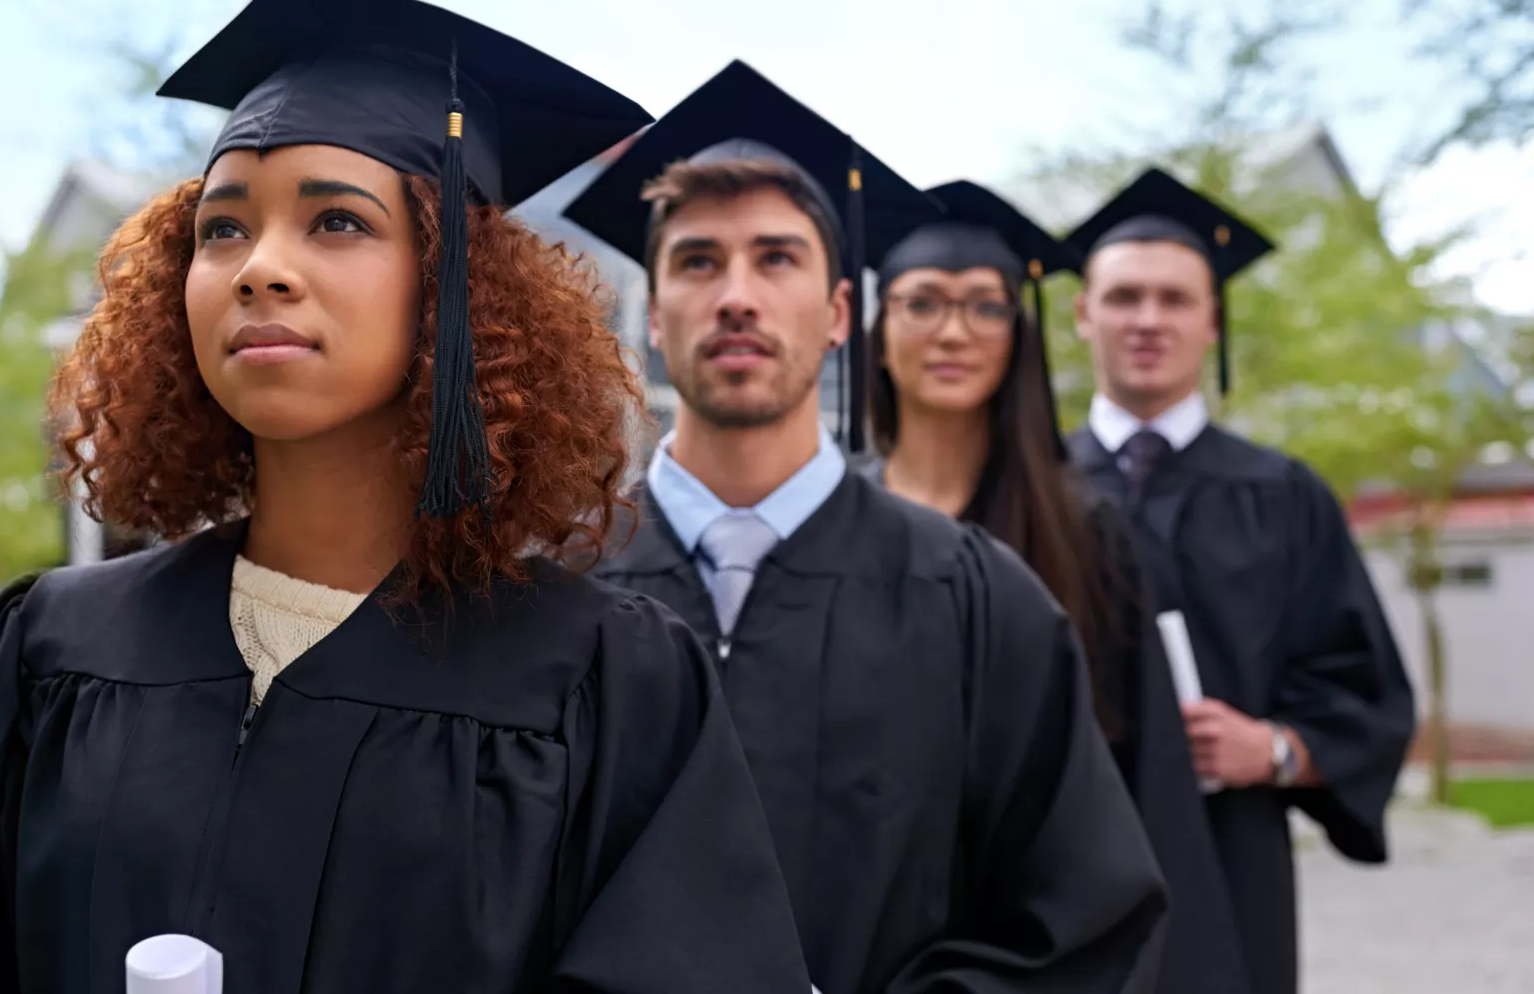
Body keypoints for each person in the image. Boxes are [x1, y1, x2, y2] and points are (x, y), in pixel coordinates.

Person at [0, 0, 812, 994]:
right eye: (222, 228)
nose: (260, 267)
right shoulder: (43, 651)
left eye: (337, 221)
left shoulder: (611, 688)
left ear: (458, 291)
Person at [565, 60, 1168, 994]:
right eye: (697, 261)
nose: (737, 294)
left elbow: (1076, 919)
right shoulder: (548, 591)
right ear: (652, 316)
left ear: (842, 313)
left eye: (776, 258)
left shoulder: (979, 598)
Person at [863, 180, 1250, 994]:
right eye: (922, 303)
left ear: (1021, 335)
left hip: (1039, 947)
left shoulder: (1089, 534)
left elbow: (1149, 784)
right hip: (861, 920)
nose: (954, 332)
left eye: (985, 306)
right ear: (878, 328)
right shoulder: (830, 526)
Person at [1061, 167, 1417, 994]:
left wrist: (1279, 751)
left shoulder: (1285, 496)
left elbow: (1365, 692)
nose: (1148, 320)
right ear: (1083, 314)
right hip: (1060, 862)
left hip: (1228, 859)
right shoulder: (1033, 487)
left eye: (1175, 299)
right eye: (1123, 297)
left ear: (1213, 321)